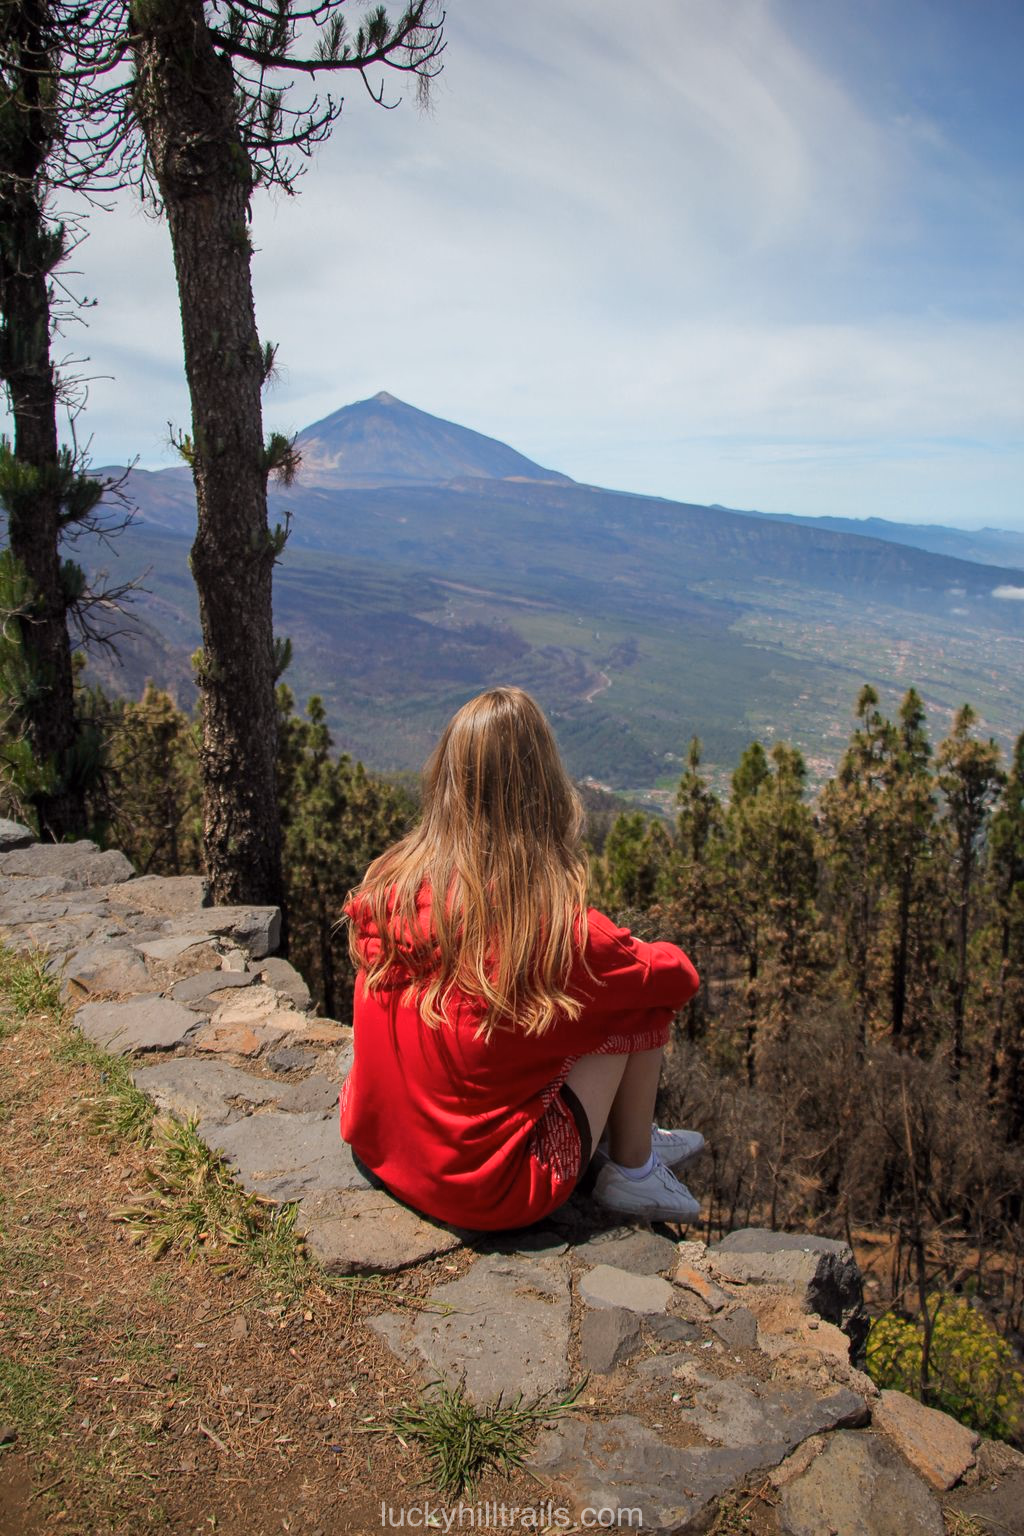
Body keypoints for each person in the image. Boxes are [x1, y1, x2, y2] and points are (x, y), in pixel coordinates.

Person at [339, 686, 705, 1233]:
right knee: (637, 1004)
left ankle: (636, 1136)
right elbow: (676, 979)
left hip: (375, 1142)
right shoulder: (554, 934)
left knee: (582, 1003)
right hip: (488, 1190)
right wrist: (620, 949)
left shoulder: (389, 887)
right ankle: (633, 1165)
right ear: (544, 791)